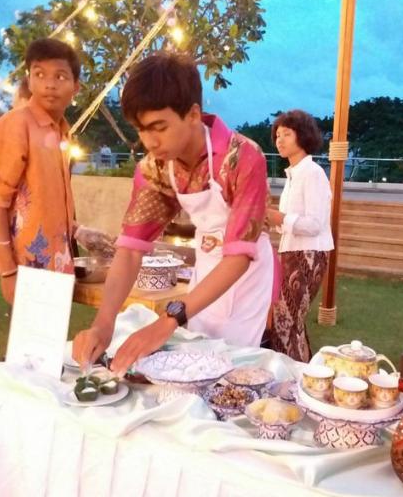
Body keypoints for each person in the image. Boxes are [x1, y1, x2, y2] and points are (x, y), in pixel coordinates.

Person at [73, 53, 275, 375]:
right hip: (207, 265)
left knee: (229, 366)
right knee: (195, 356)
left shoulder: (242, 158)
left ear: (193, 114)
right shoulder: (155, 169)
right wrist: (103, 323)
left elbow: (238, 257)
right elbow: (130, 250)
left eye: (159, 127)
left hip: (245, 274)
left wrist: (168, 320)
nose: (149, 141)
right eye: (141, 129)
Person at [0, 38, 81, 304]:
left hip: (57, 259)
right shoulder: (16, 124)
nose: (49, 84)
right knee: (33, 332)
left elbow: (48, 198)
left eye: (60, 76)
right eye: (39, 74)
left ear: (76, 87)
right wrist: (8, 270)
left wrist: (77, 229)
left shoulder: (62, 130)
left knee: (53, 332)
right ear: (29, 80)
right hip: (26, 262)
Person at [266, 110, 333, 362]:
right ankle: (302, 374)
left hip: (309, 254)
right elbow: (289, 222)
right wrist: (274, 220)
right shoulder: (294, 174)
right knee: (285, 321)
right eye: (277, 135)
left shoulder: (312, 173)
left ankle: (296, 376)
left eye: (286, 134)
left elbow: (315, 224)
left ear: (302, 136)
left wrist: (279, 217)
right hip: (292, 252)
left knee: (287, 321)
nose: (279, 140)